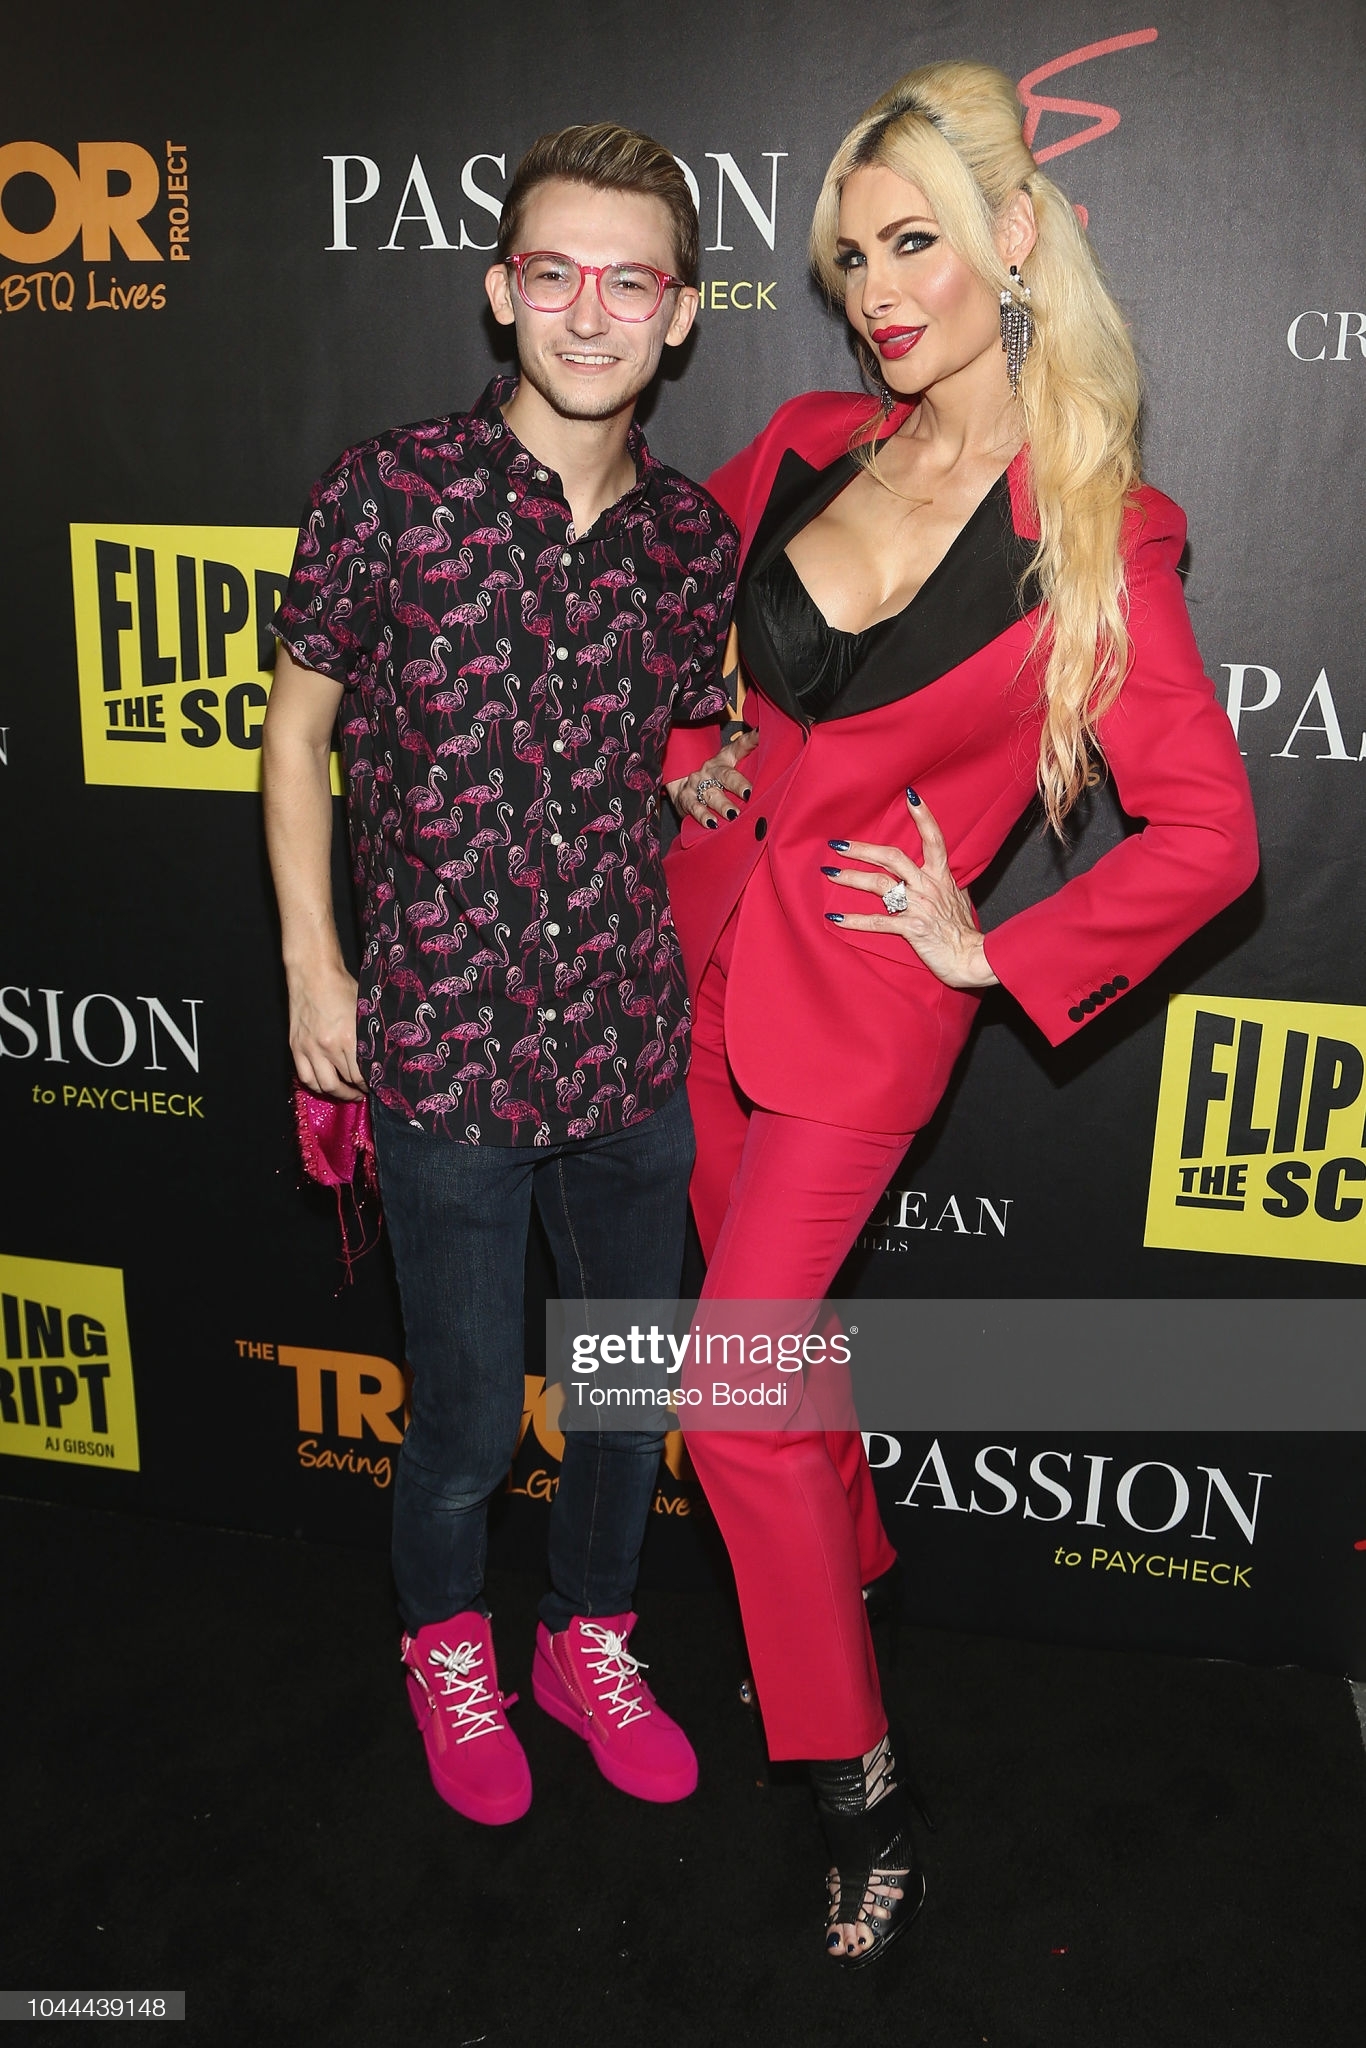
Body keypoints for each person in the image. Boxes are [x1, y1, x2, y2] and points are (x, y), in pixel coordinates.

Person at [661, 61, 1259, 1965]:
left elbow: (1210, 834)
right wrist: (690, 764)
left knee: (726, 1394)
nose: (877, 292)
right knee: (775, 1364)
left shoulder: (1097, 528)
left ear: (1012, 237)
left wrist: (998, 952)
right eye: (850, 259)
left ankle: (860, 1788)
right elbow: (680, 642)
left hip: (856, 1023)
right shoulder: (805, 440)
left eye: (911, 242)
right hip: (693, 974)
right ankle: (851, 1577)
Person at [262, 124, 737, 1827]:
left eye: (630, 281)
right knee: (464, 1423)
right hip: (442, 1052)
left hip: (625, 1051)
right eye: (554, 273)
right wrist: (315, 968)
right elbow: (295, 736)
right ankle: (445, 1648)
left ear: (681, 312)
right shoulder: (387, 491)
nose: (589, 312)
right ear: (499, 290)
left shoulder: (690, 541)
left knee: (619, 1406)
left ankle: (586, 1643)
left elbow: (680, 742)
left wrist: (699, 777)